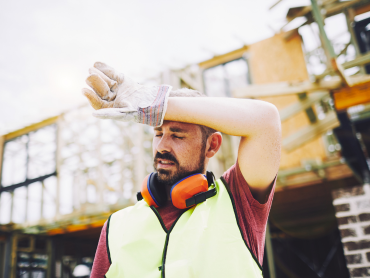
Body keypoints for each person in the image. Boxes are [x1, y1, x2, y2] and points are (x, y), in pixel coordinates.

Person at [82, 62, 281, 277]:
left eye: (177, 135)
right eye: (158, 133)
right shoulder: (116, 227)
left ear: (212, 145)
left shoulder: (237, 203)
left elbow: (266, 122)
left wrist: (155, 103)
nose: (162, 146)